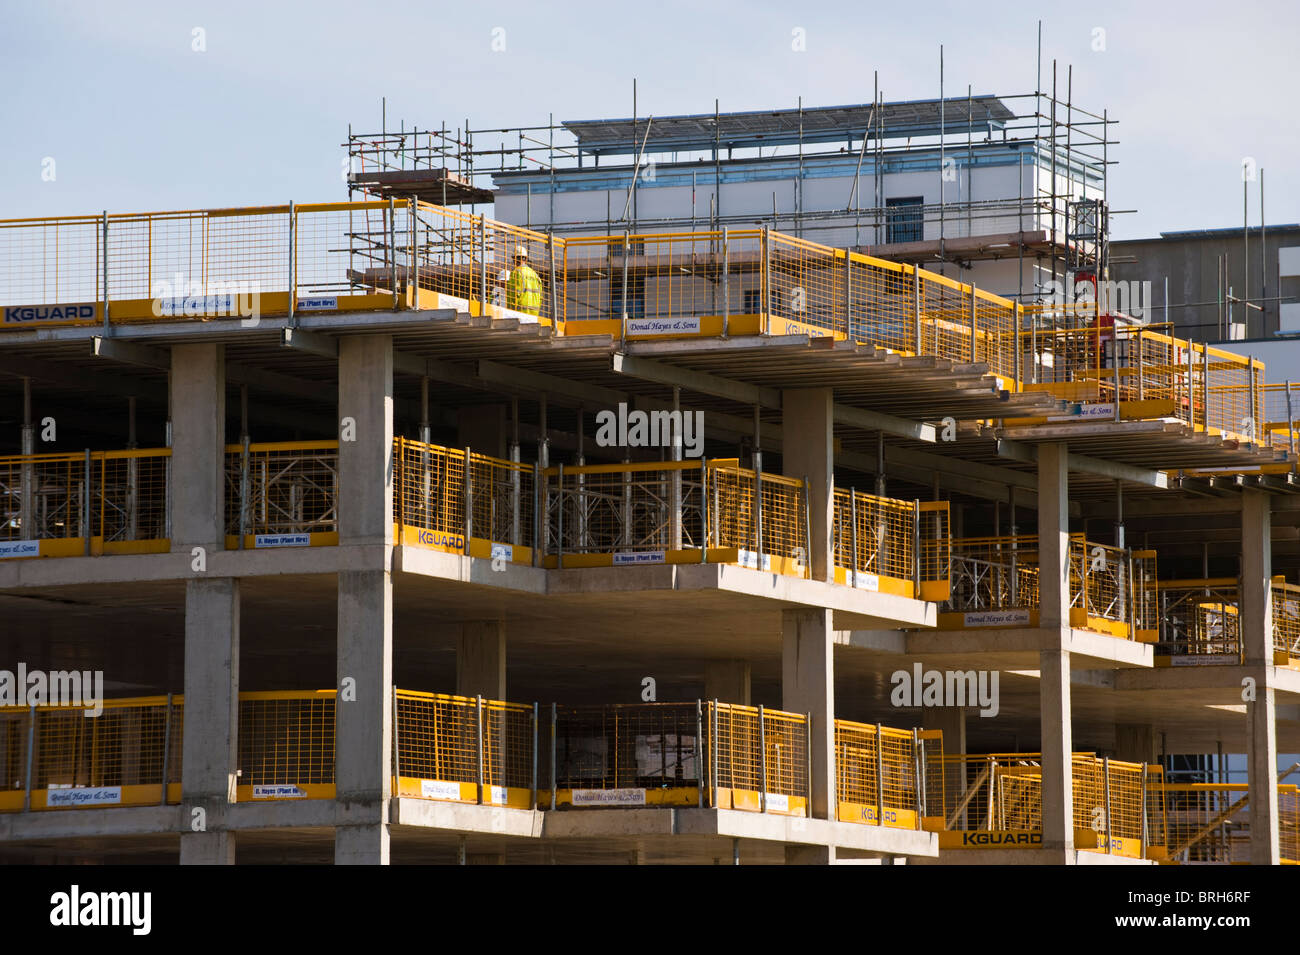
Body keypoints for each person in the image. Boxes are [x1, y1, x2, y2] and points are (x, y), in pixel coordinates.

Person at [505, 247, 542, 316]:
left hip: (520, 311)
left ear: (514, 259)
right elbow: (540, 297)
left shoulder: (516, 272)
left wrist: (510, 311)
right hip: (534, 313)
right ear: (526, 259)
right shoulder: (535, 275)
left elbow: (513, 294)